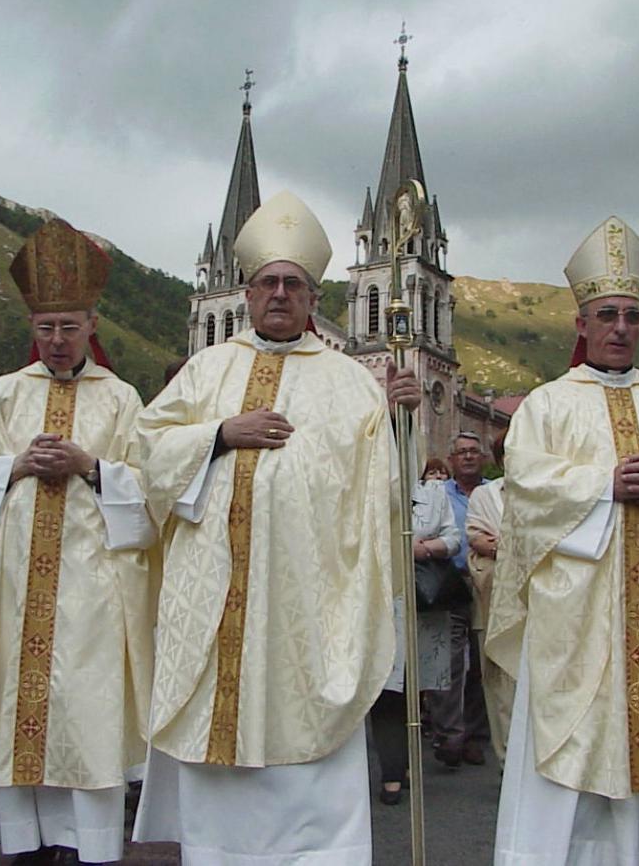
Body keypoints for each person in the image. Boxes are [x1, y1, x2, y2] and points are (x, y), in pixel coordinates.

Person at [131, 190, 420, 864]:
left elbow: (384, 494)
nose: (280, 294)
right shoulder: (208, 369)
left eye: (294, 283)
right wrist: (220, 434)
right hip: (213, 604)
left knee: (307, 791)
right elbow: (146, 453)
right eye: (268, 282)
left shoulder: (351, 383)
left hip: (308, 612)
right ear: (249, 291)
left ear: (315, 298)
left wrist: (400, 421)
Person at [486, 216, 639, 864]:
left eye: (631, 316)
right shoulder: (547, 405)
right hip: (577, 623)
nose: (620, 327)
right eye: (607, 315)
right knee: (567, 759)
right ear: (582, 324)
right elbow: (529, 483)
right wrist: (606, 483)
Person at [0, 219, 156, 865]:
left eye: (69, 326)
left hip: (91, 594)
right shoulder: (1, 395)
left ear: (91, 324)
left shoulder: (122, 400)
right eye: (46, 328)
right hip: (13, 585)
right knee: (15, 707)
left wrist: (88, 464)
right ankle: (23, 843)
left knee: (85, 711)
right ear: (33, 329)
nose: (57, 340)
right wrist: (15, 466)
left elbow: (147, 489)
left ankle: (86, 843)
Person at [368, 459, 457, 805]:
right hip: (381, 600)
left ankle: (404, 763)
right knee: (386, 688)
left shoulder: (433, 494)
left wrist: (424, 548)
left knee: (413, 688)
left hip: (420, 601)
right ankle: (391, 772)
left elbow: (453, 537)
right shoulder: (368, 486)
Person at [432, 431, 491, 768]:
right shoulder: (438, 494)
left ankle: (475, 736)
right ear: (451, 460)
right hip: (450, 583)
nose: (468, 457)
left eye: (473, 451)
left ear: (482, 458)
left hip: (486, 582)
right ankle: (450, 735)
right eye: (461, 452)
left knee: (482, 663)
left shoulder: (494, 494)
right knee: (450, 663)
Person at [465, 429, 515, 765]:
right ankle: (507, 759)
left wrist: (505, 544)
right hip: (496, 601)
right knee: (499, 682)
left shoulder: (548, 495)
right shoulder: (486, 495)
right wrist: (516, 547)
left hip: (544, 604)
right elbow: (479, 540)